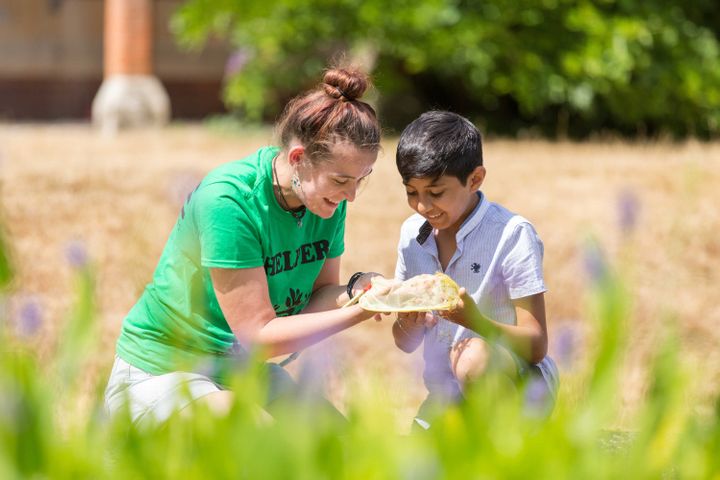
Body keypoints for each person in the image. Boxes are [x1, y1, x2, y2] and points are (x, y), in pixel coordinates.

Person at [104, 66, 385, 425]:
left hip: (238, 374)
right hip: (161, 373)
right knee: (258, 438)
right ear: (299, 158)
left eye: (361, 180)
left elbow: (321, 295)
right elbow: (259, 337)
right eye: (342, 180)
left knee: (340, 447)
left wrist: (362, 290)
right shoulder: (229, 200)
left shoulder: (326, 201)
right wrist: (357, 313)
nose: (352, 195)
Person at [391, 111, 559, 429]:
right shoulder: (411, 235)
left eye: (436, 193)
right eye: (412, 192)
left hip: (521, 385)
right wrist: (408, 322)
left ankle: (514, 443)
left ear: (475, 179)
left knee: (473, 359)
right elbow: (405, 342)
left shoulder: (511, 233)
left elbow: (536, 346)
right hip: (448, 394)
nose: (423, 206)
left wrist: (474, 321)